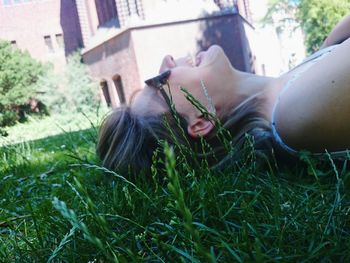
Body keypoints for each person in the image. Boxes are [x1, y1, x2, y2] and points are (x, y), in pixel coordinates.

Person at [97, 14, 350, 174]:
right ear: (201, 121)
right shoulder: (296, 113)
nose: (168, 59)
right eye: (160, 80)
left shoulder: (295, 85)